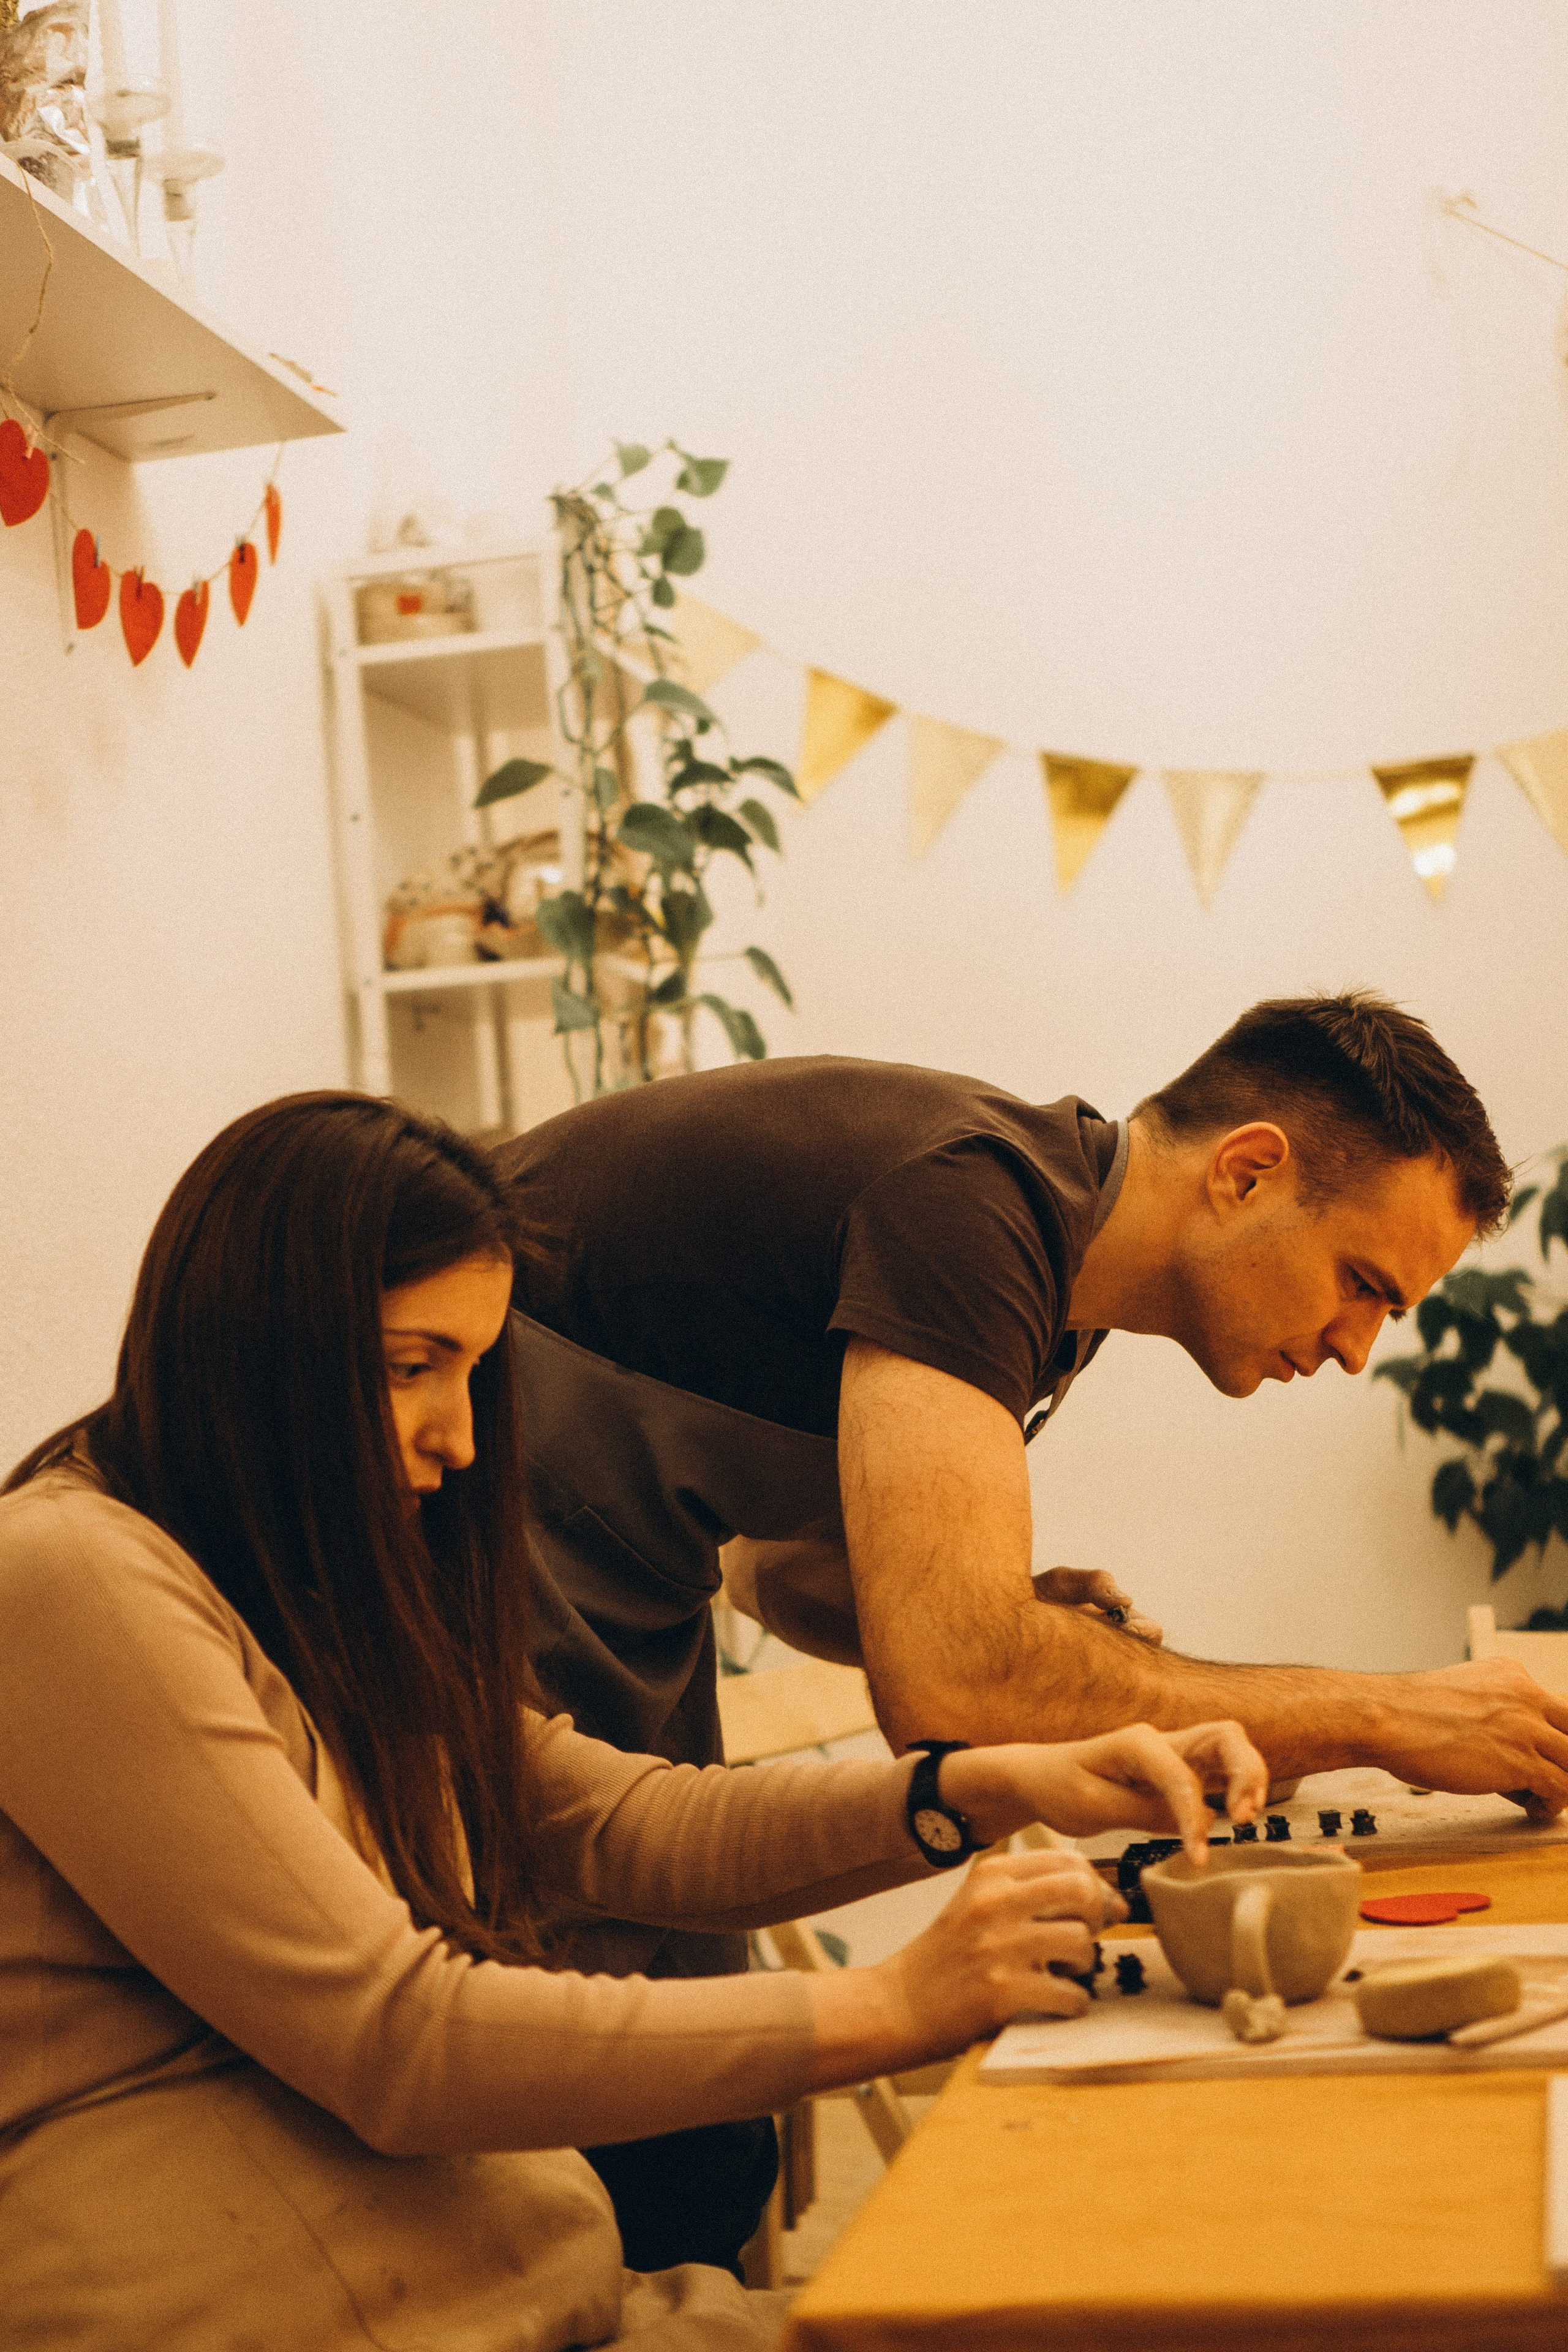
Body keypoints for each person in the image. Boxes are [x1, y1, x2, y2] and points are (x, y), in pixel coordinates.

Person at [0, 1091, 1271, 2352]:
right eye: (409, 1367)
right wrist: (891, 2005)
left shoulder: (294, 1580)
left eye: (475, 1371)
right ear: (252, 1343)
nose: (454, 1437)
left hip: (517, 2293)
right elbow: (395, 2037)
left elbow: (612, 1817)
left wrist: (987, 1785)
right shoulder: (69, 1578)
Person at [494, 990, 1568, 2261]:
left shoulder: (1059, 1286)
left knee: (693, 2156)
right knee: (607, 2174)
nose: (1352, 1349)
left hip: (622, 1610)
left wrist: (1010, 1619)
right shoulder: (972, 1206)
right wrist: (1386, 1714)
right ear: (1244, 1170)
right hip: (463, 1603)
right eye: (1360, 1284)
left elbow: (782, 1579)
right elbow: (948, 1688)